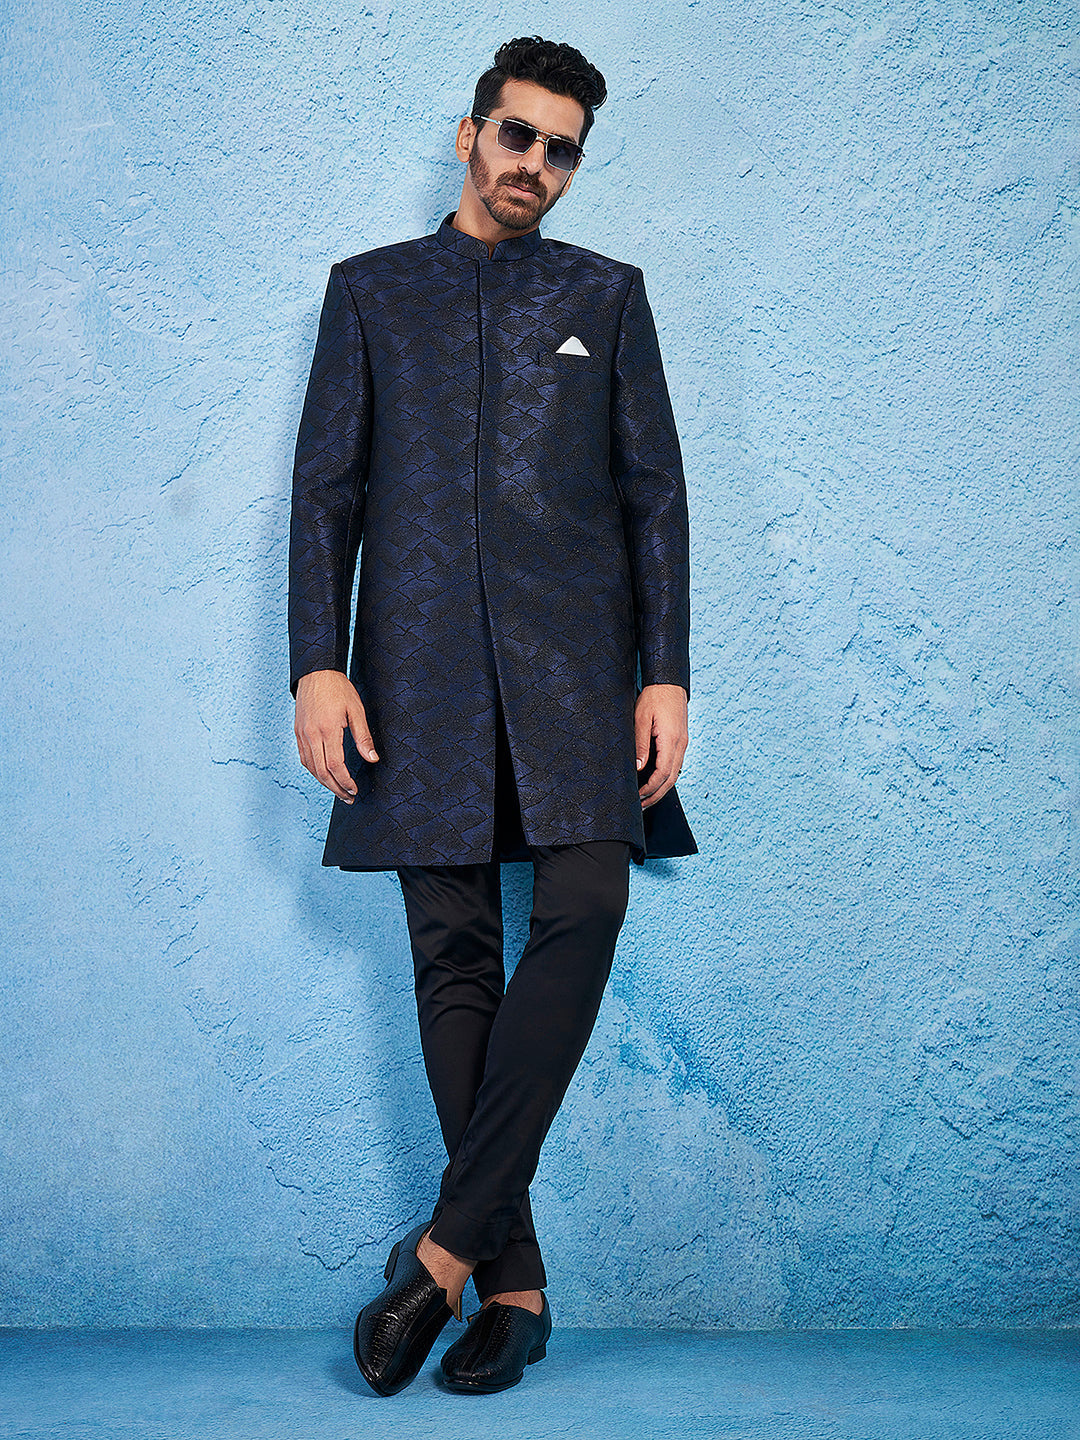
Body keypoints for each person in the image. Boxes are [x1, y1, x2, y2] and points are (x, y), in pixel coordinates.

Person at [289, 36, 695, 1397]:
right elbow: (326, 494)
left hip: (581, 674)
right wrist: (317, 664)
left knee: (585, 903)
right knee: (453, 953)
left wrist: (666, 672)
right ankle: (513, 1289)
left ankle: (443, 1252)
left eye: (562, 149)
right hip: (414, 675)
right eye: (517, 134)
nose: (536, 164)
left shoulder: (606, 296)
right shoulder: (369, 292)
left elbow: (654, 495)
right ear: (471, 136)